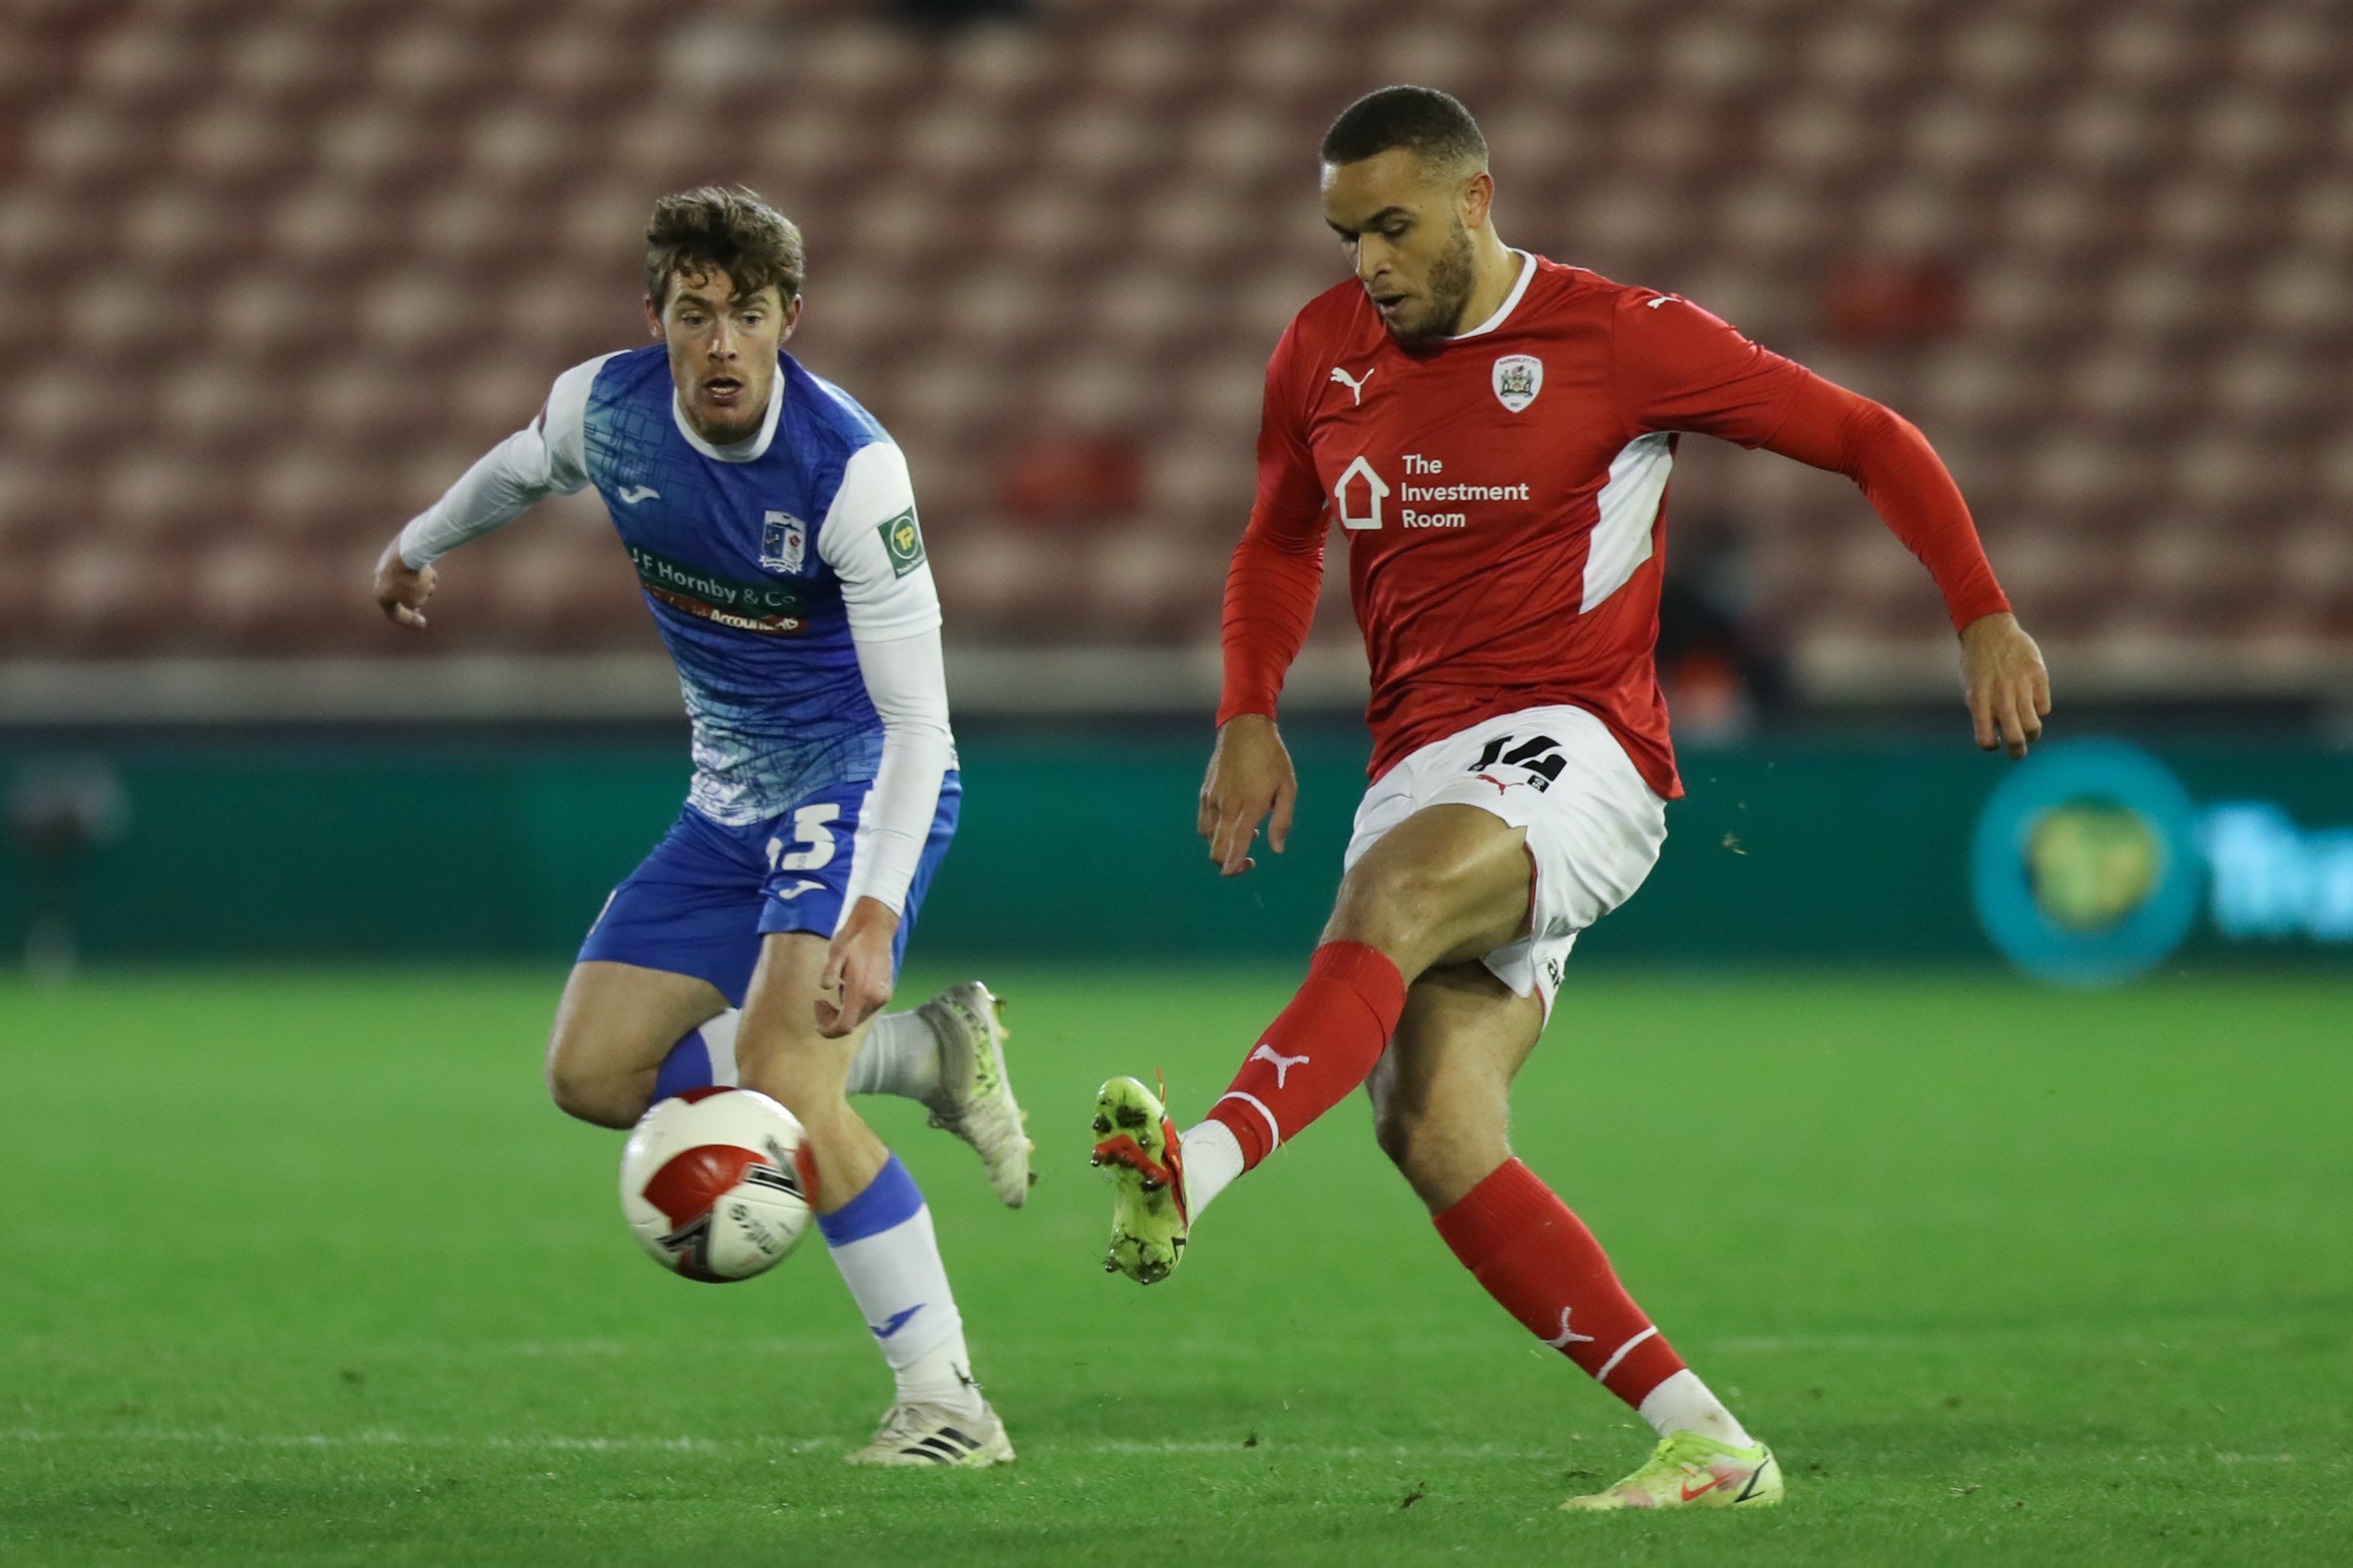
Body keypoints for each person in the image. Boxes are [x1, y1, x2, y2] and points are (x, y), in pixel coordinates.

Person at [1089, 87, 2051, 1512]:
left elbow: (1870, 435)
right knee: (1431, 1125)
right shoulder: (1321, 348)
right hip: (1421, 762)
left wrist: (1980, 611)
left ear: (1479, 200)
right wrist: (1248, 713)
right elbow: (1278, 540)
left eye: (1397, 227)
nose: (1370, 262)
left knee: (1394, 900)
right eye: (1349, 233)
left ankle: (1199, 1163)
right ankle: (1711, 1441)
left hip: (1581, 742)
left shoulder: (1621, 338)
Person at [373, 186, 1027, 1468]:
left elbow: (921, 728)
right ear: (657, 320)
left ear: (791, 320)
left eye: (746, 315)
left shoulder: (850, 468)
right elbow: (520, 462)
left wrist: (878, 908)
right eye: (693, 314)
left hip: (857, 776)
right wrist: (415, 546)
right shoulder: (606, 412)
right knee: (593, 1077)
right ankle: (925, 1055)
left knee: (784, 1077)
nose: (719, 342)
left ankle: (948, 1402)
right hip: (726, 802)